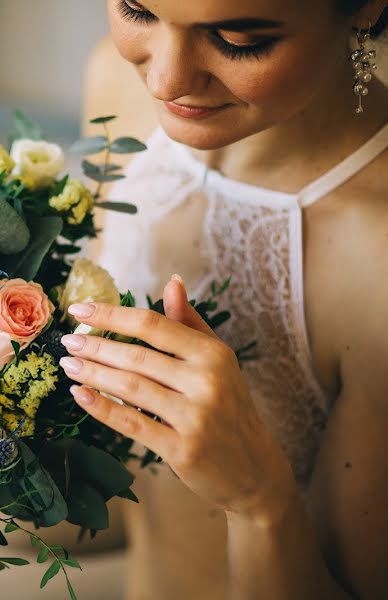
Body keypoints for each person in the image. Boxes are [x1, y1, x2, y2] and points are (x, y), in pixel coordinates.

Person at [60, 0, 388, 598]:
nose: (165, 80)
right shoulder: (117, 83)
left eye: (237, 40)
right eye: (137, 10)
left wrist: (258, 500)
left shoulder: (378, 256)